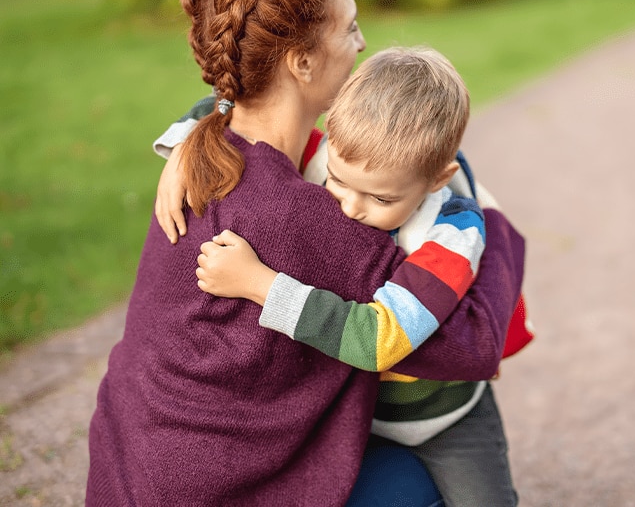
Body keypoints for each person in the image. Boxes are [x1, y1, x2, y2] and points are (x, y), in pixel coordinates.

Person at [85, 0, 525, 507]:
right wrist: (484, 217)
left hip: (131, 469)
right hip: (221, 489)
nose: (363, 45)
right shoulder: (309, 218)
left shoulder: (207, 151)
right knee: (428, 487)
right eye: (350, 28)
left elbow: (224, 109)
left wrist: (201, 119)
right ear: (300, 61)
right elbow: (474, 343)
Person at [157, 47, 533, 506]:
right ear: (331, 132)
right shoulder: (326, 155)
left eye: (380, 199)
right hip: (358, 414)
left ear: (438, 178)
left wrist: (259, 285)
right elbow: (237, 108)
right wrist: (185, 143)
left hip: (445, 419)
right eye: (339, 181)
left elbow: (380, 338)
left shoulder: (453, 235)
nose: (351, 208)